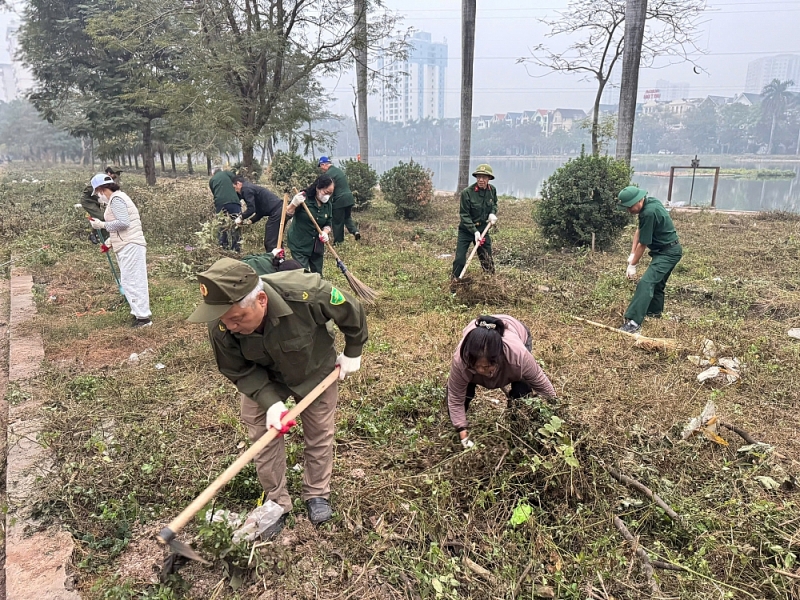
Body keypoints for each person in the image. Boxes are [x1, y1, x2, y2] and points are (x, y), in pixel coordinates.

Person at [187, 257, 368, 536]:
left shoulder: (307, 293)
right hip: (264, 377)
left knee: (319, 431)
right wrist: (269, 400)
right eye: (225, 320)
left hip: (314, 369)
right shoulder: (222, 323)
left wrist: (353, 351)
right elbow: (237, 369)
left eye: (237, 319)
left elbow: (351, 310)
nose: (231, 326)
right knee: (263, 437)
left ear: (261, 300)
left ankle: (317, 492)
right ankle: (276, 502)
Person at [447, 315, 556, 448]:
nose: (481, 370)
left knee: (521, 393)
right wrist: (461, 431)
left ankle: (519, 432)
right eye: (476, 366)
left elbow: (542, 385)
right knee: (464, 394)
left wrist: (555, 413)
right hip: (476, 360)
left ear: (497, 359)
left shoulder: (518, 357)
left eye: (486, 366)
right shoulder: (462, 360)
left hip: (516, 330)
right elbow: (455, 397)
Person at [87, 173, 152, 328]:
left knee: (133, 281)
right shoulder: (117, 199)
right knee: (131, 281)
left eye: (97, 193)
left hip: (131, 245)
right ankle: (139, 315)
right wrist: (109, 243)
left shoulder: (116, 200)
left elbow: (123, 223)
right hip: (127, 244)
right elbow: (121, 229)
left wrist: (101, 225)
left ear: (102, 189)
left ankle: (144, 318)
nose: (98, 197)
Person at [618, 186, 683, 334]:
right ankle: (654, 314)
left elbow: (643, 243)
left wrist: (633, 265)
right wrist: (631, 254)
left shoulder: (648, 212)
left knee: (646, 282)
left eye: (630, 207)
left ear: (639, 200)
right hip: (666, 251)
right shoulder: (650, 202)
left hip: (668, 253)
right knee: (657, 284)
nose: (629, 211)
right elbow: (639, 231)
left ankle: (633, 322)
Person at [452, 164, 498, 280]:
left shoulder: (492, 190)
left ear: (489, 179)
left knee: (487, 259)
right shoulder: (467, 193)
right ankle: (454, 284)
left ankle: (491, 284)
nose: (481, 180)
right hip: (466, 231)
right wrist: (474, 231)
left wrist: (492, 213)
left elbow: (494, 204)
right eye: (479, 177)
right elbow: (464, 215)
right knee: (460, 259)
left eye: (484, 177)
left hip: (483, 230)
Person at [285, 176, 334, 275]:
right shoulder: (303, 199)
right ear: (318, 188)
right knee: (304, 274)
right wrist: (293, 204)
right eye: (326, 192)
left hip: (316, 246)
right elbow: (286, 215)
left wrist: (325, 232)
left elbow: (328, 223)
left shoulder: (328, 204)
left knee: (318, 275)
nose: (327, 196)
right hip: (299, 244)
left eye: (330, 193)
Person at [232, 177, 284, 254]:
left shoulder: (246, 189)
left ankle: (276, 262)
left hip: (277, 211)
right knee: (275, 239)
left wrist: (241, 217)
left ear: (239, 184)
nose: (235, 190)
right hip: (280, 209)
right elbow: (260, 211)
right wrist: (250, 221)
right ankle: (280, 259)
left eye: (235, 187)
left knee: (270, 241)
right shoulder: (250, 188)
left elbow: (251, 209)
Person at [318, 156, 359, 244]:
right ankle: (355, 231)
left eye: (321, 166)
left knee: (337, 222)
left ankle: (338, 242)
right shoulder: (338, 170)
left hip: (340, 200)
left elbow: (326, 190)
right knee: (347, 217)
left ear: (324, 164)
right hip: (349, 198)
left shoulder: (328, 174)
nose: (321, 169)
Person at [209, 166, 242, 252]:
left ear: (213, 173)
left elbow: (215, 193)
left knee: (221, 224)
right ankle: (236, 248)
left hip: (220, 203)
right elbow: (237, 182)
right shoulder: (227, 173)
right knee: (236, 223)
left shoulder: (212, 180)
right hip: (234, 202)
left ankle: (223, 246)